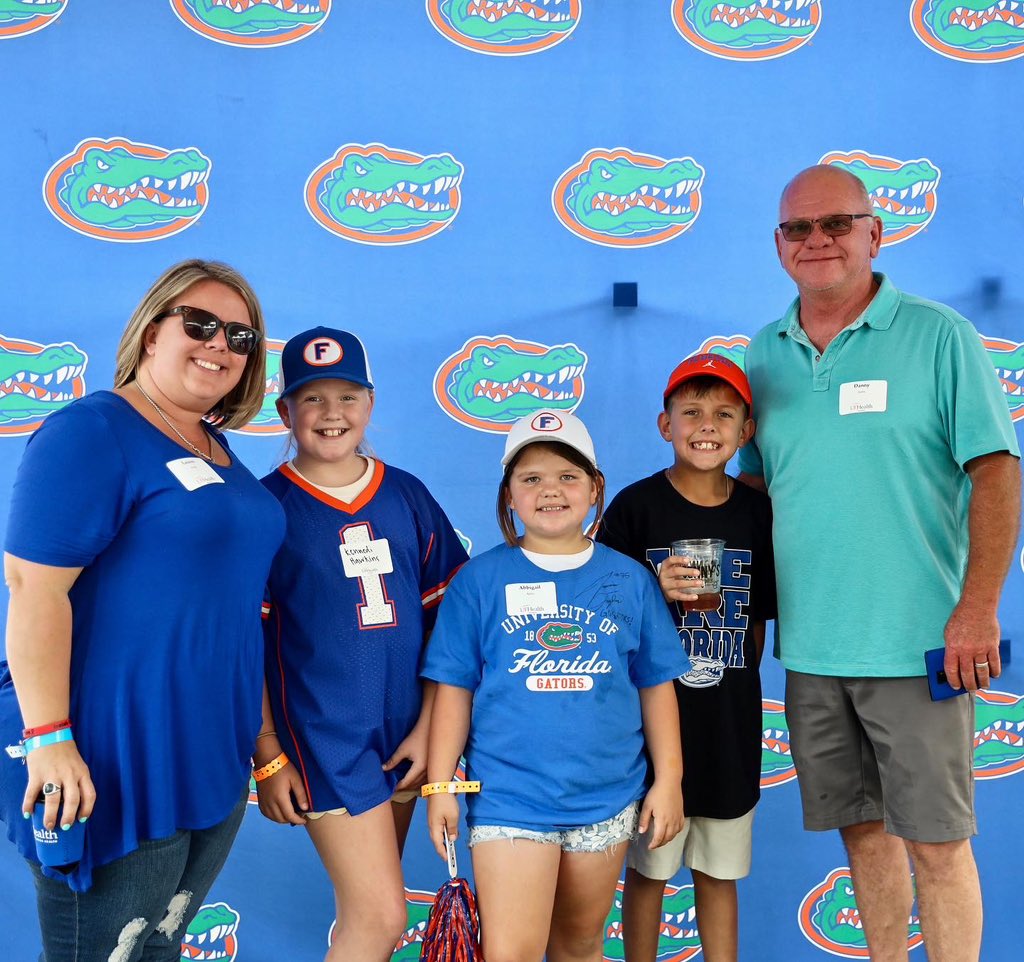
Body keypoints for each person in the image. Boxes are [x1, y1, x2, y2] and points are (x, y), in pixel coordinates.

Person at [737, 164, 1021, 962]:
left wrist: (976, 610)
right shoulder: (763, 353)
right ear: (779, 245)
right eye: (799, 228)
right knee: (863, 839)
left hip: (919, 646)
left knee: (938, 845)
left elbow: (997, 470)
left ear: (875, 233)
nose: (817, 240)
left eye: (836, 224)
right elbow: (755, 491)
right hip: (813, 653)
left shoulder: (938, 336)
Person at [0, 260, 286, 960]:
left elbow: (233, 611)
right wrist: (50, 738)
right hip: (112, 750)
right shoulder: (93, 432)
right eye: (200, 324)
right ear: (151, 329)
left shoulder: (214, 447)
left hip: (208, 753)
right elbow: (34, 589)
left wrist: (263, 746)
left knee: (155, 951)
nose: (220, 345)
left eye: (241, 337)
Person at [421, 409, 690, 962]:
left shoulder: (629, 579)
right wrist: (441, 784)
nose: (551, 491)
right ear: (509, 495)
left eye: (568, 476)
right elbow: (454, 689)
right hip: (508, 798)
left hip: (607, 798)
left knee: (579, 946)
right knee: (512, 952)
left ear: (594, 489)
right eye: (532, 478)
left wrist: (670, 781)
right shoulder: (479, 580)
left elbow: (655, 685)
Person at [253, 327, 468, 962]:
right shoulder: (267, 508)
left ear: (369, 404)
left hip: (406, 734)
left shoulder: (405, 493)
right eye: (312, 399)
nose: (332, 414)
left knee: (364, 920)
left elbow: (450, 629)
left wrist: (432, 727)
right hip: (324, 739)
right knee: (380, 917)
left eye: (347, 396)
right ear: (285, 411)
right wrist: (267, 753)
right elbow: (244, 645)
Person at [598, 354, 776, 962]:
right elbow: (597, 608)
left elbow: (757, 621)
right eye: (691, 411)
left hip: (729, 723)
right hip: (650, 729)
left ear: (746, 431)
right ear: (663, 423)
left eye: (724, 414)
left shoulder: (758, 511)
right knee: (649, 872)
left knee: (718, 873)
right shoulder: (635, 506)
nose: (707, 424)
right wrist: (652, 583)